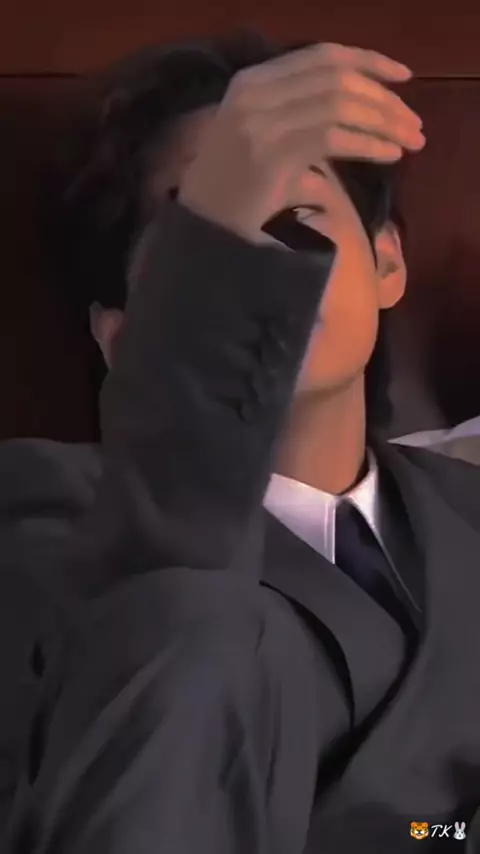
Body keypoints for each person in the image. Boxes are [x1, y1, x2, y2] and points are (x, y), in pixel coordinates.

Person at [7, 33, 480, 854]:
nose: (263, 269)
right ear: (121, 336)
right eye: (210, 239)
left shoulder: (465, 503)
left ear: (386, 260)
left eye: (298, 222)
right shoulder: (50, 516)